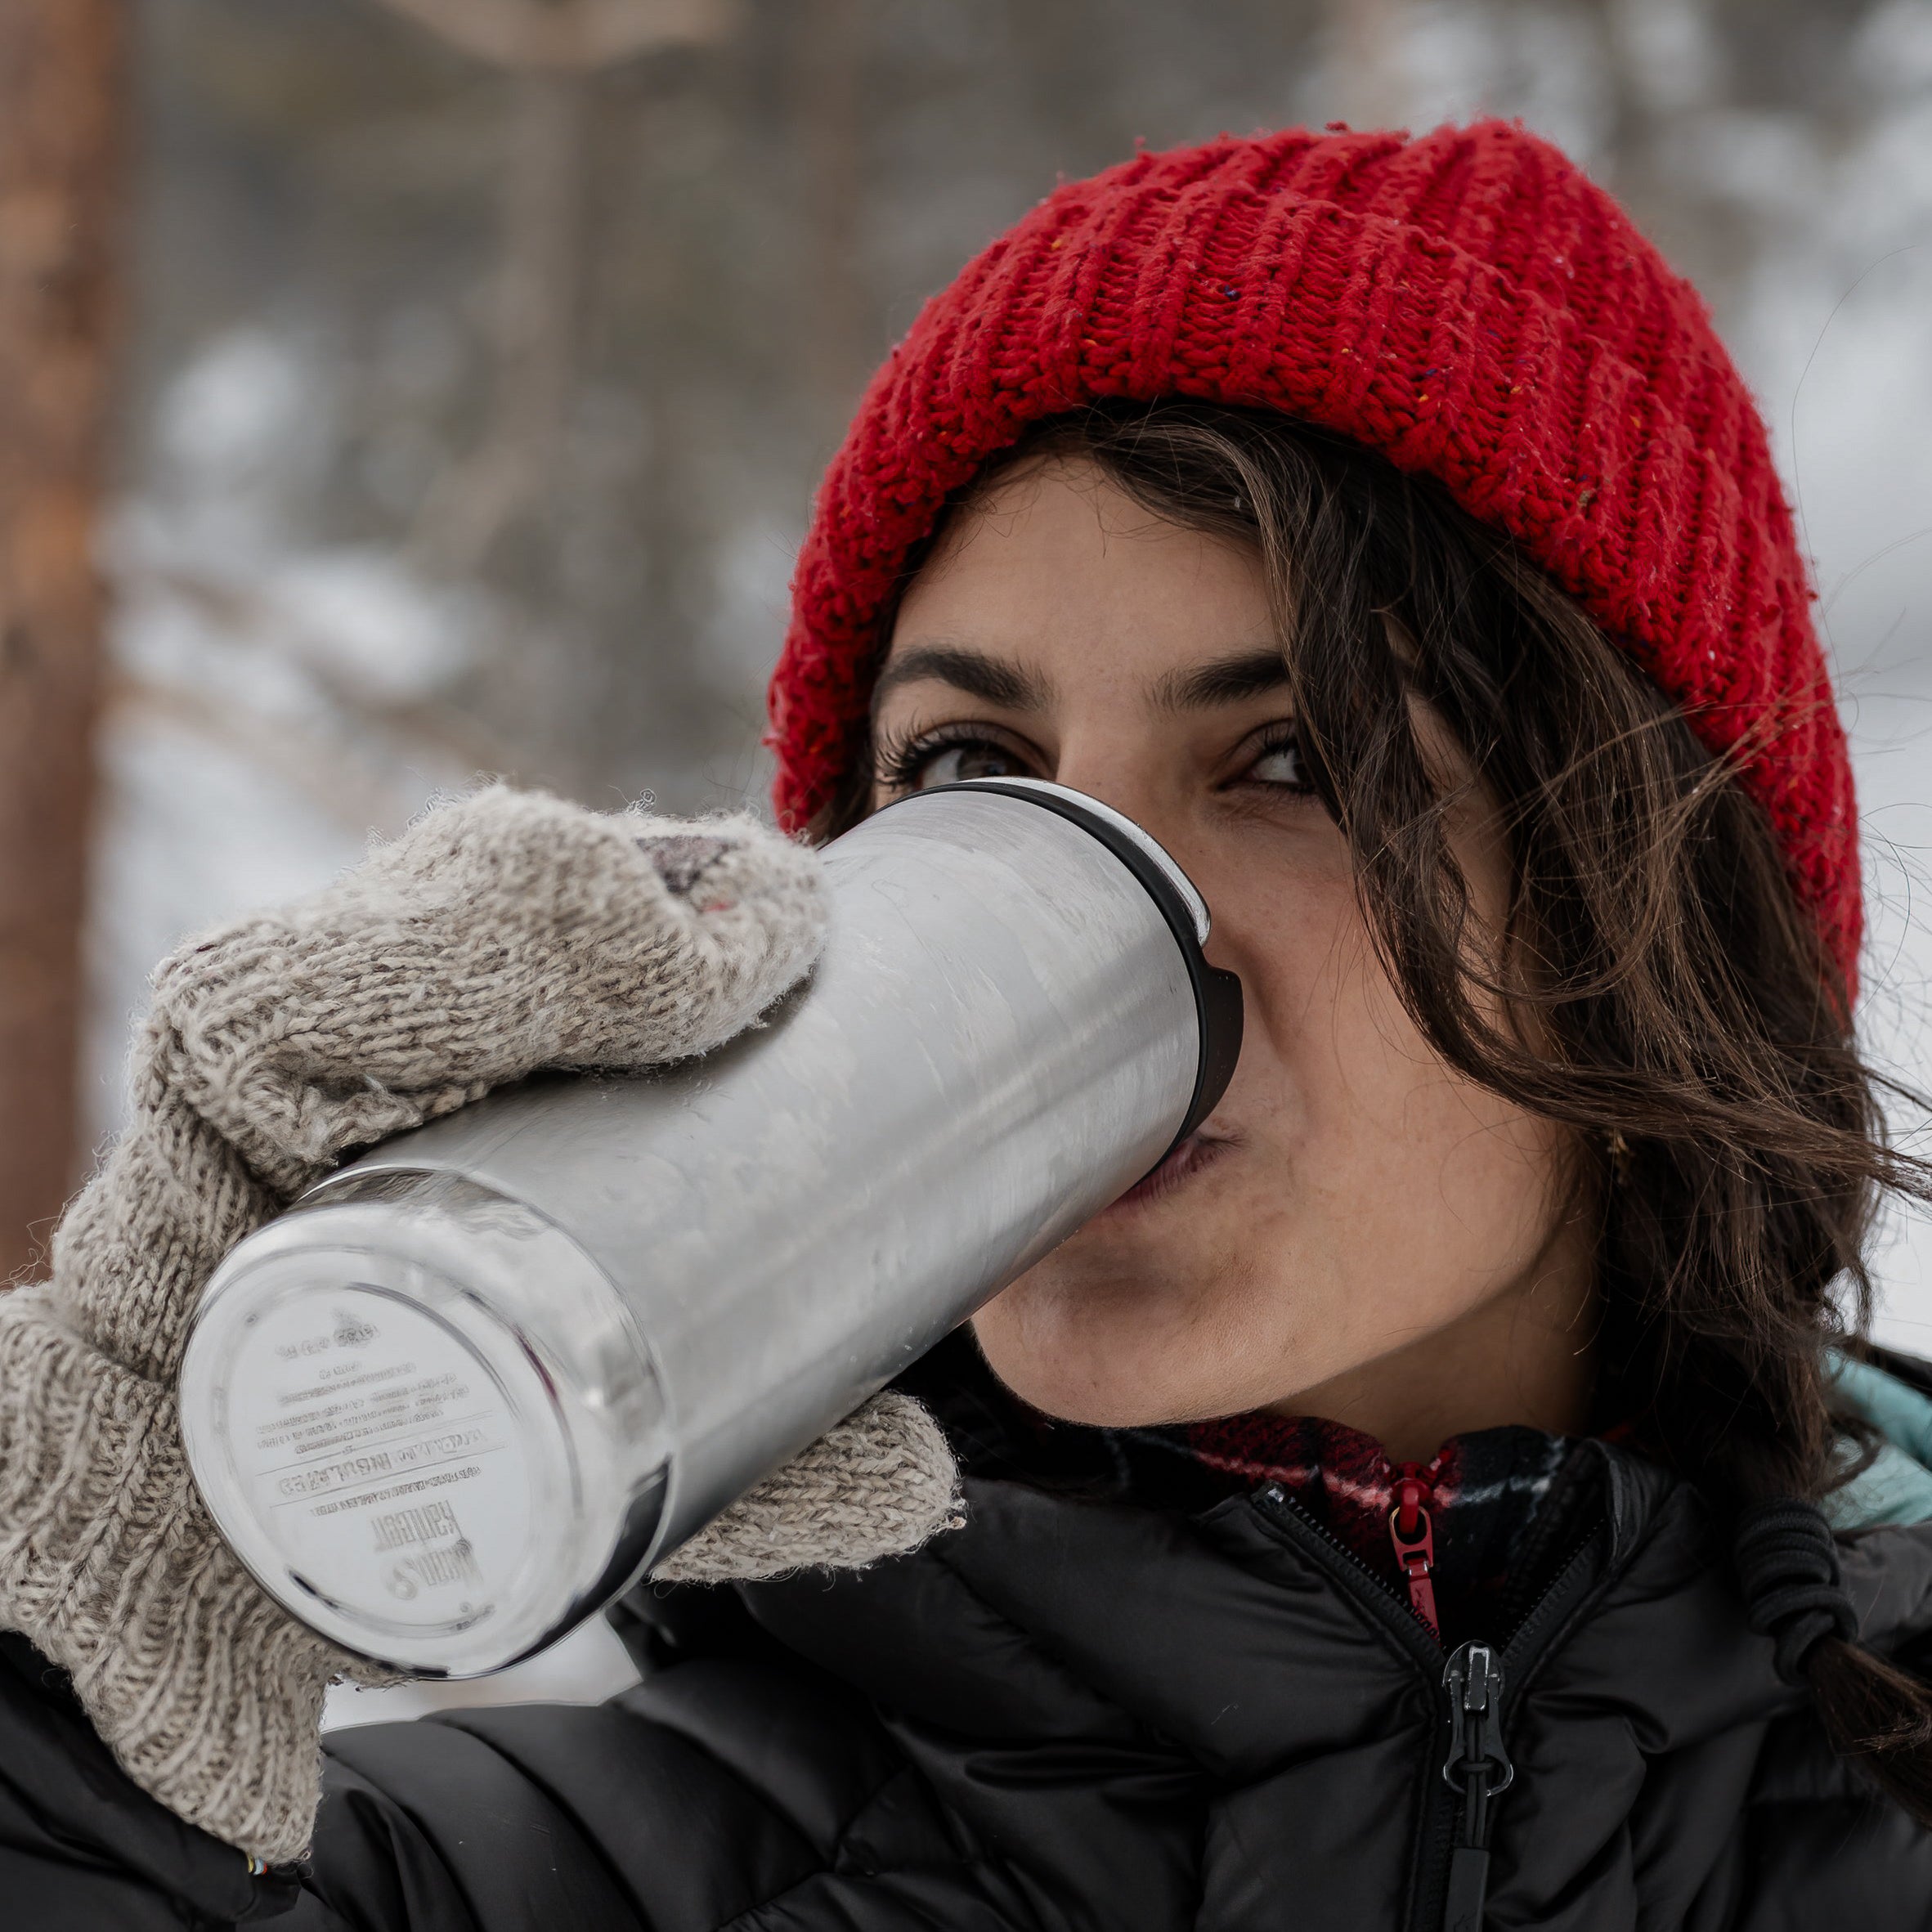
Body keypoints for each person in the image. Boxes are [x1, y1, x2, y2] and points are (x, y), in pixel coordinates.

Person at [4, 119, 1931, 1930]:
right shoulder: (600, 1874)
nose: (1111, 911)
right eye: (970, 766)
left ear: (1651, 930)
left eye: (1290, 757)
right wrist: (91, 1593)